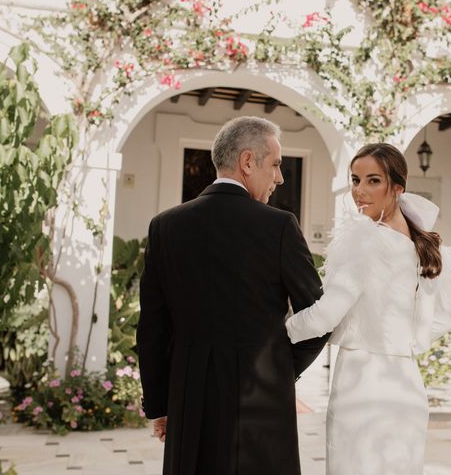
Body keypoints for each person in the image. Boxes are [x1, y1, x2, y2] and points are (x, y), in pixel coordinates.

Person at [137, 116, 329, 475]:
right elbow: (320, 314)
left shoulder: (165, 226)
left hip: (189, 398)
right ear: (246, 162)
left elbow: (152, 327)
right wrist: (280, 369)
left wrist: (160, 405)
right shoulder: (279, 226)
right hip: (262, 401)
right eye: (275, 165)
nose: (280, 178)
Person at [286, 142, 451, 475]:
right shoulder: (426, 249)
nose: (359, 191)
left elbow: (324, 315)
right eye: (355, 179)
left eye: (373, 181)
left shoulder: (365, 241)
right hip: (406, 385)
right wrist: (402, 341)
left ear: (397, 187)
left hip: (361, 386)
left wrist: (279, 333)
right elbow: (441, 321)